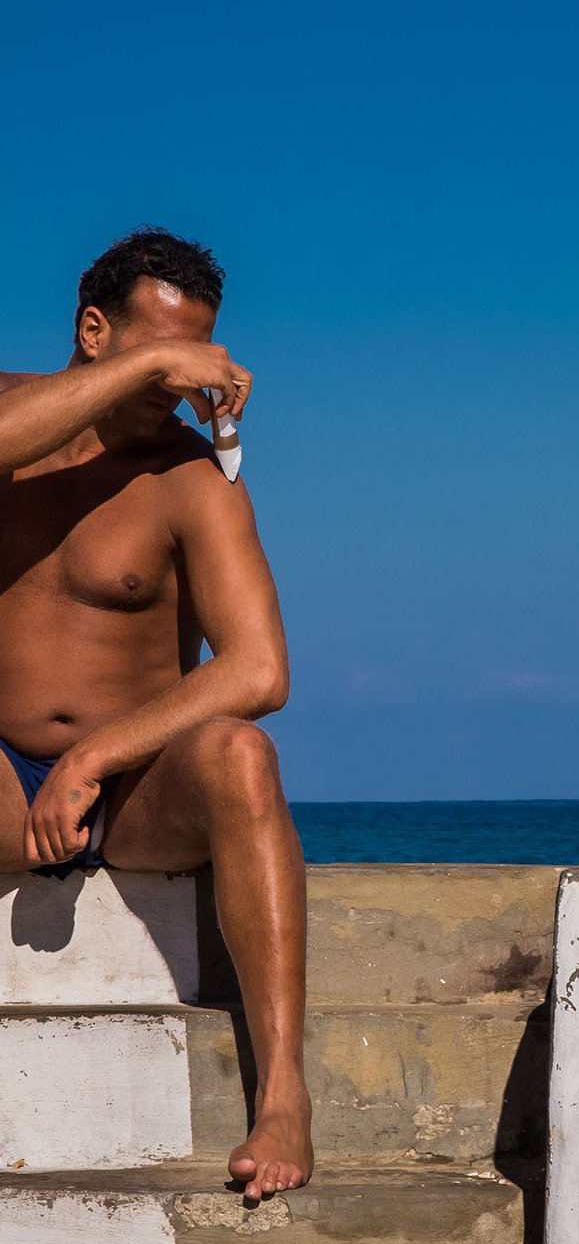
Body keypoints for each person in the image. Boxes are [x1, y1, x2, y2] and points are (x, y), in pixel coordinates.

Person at [0, 229, 312, 1199]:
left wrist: (99, 754)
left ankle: (285, 1094)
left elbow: (260, 667)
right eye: (156, 361)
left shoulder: (191, 481)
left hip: (131, 788)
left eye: (193, 364)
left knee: (245, 756)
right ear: (94, 331)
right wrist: (147, 365)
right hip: (4, 780)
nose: (177, 388)